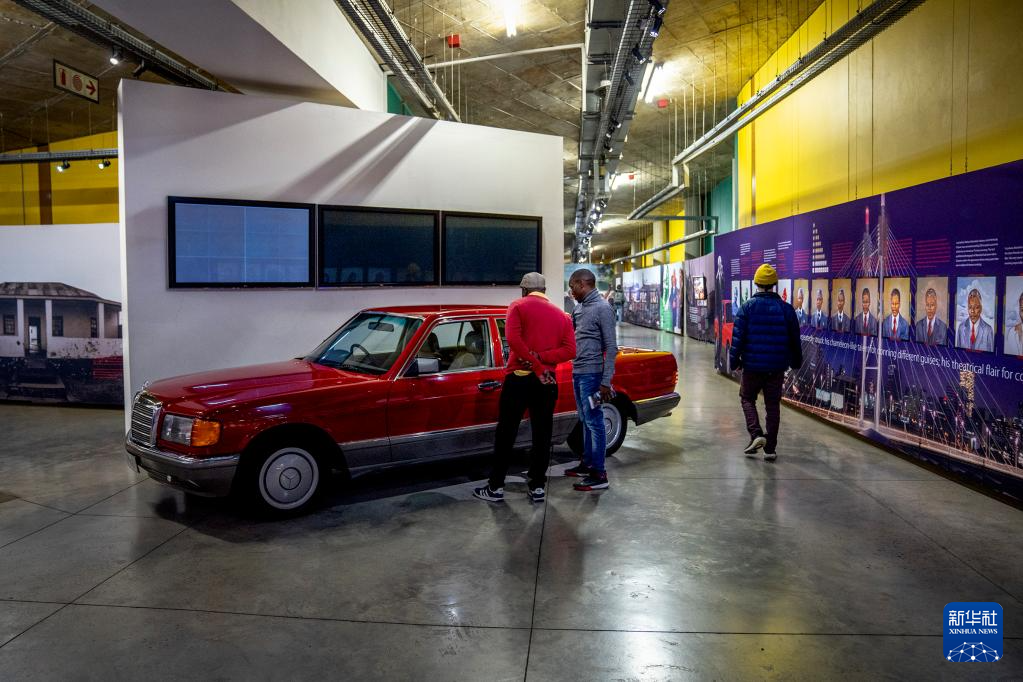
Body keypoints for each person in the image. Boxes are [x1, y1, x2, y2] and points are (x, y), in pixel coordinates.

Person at [474, 272, 576, 504]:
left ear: (523, 290)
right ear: (544, 290)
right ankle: (537, 486)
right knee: (543, 434)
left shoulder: (517, 307)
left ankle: (496, 487)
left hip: (519, 379)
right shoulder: (562, 316)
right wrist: (542, 360)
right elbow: (571, 350)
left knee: (506, 433)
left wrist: (534, 363)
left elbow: (513, 341)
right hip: (547, 381)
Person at [729, 263, 803, 462]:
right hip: (776, 368)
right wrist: (796, 362)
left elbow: (737, 340)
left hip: (752, 367)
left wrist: (734, 362)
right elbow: (795, 341)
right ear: (774, 284)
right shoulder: (787, 310)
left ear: (756, 284)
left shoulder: (746, 308)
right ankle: (770, 449)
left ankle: (756, 434)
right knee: (772, 406)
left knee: (747, 398)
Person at [565, 268, 618, 491]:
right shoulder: (579, 308)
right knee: (585, 420)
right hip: (578, 373)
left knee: (595, 422)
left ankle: (599, 473)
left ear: (582, 284)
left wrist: (605, 381)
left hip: (593, 376)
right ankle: (587, 463)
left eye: (572, 287)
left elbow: (611, 348)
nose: (571, 292)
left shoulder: (603, 308)